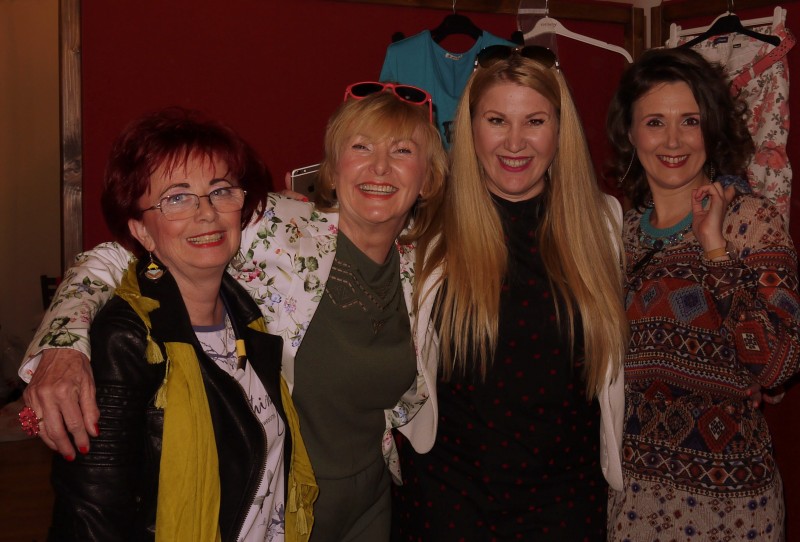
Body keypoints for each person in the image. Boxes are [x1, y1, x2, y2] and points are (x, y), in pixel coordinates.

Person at [19, 83, 447, 542]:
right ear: (333, 167)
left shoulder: (428, 262)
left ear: (427, 178)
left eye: (402, 150)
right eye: (361, 147)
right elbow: (113, 258)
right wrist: (62, 347)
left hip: (372, 500)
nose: (380, 167)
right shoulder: (277, 225)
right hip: (281, 503)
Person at [32, 107, 316, 541]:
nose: (207, 213)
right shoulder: (125, 342)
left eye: (220, 191)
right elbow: (90, 517)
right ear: (142, 231)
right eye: (177, 198)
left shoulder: (248, 314)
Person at [391, 45, 630, 541]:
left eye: (535, 121)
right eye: (497, 120)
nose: (515, 142)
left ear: (560, 129)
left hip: (567, 504)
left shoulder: (603, 223)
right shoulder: (423, 226)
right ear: (469, 127)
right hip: (448, 502)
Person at [605, 47, 800, 541]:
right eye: (655, 122)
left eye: (689, 121)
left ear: (711, 128)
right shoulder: (617, 235)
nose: (673, 140)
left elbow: (778, 366)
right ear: (630, 132)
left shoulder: (751, 223)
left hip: (735, 509)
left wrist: (714, 249)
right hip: (634, 503)